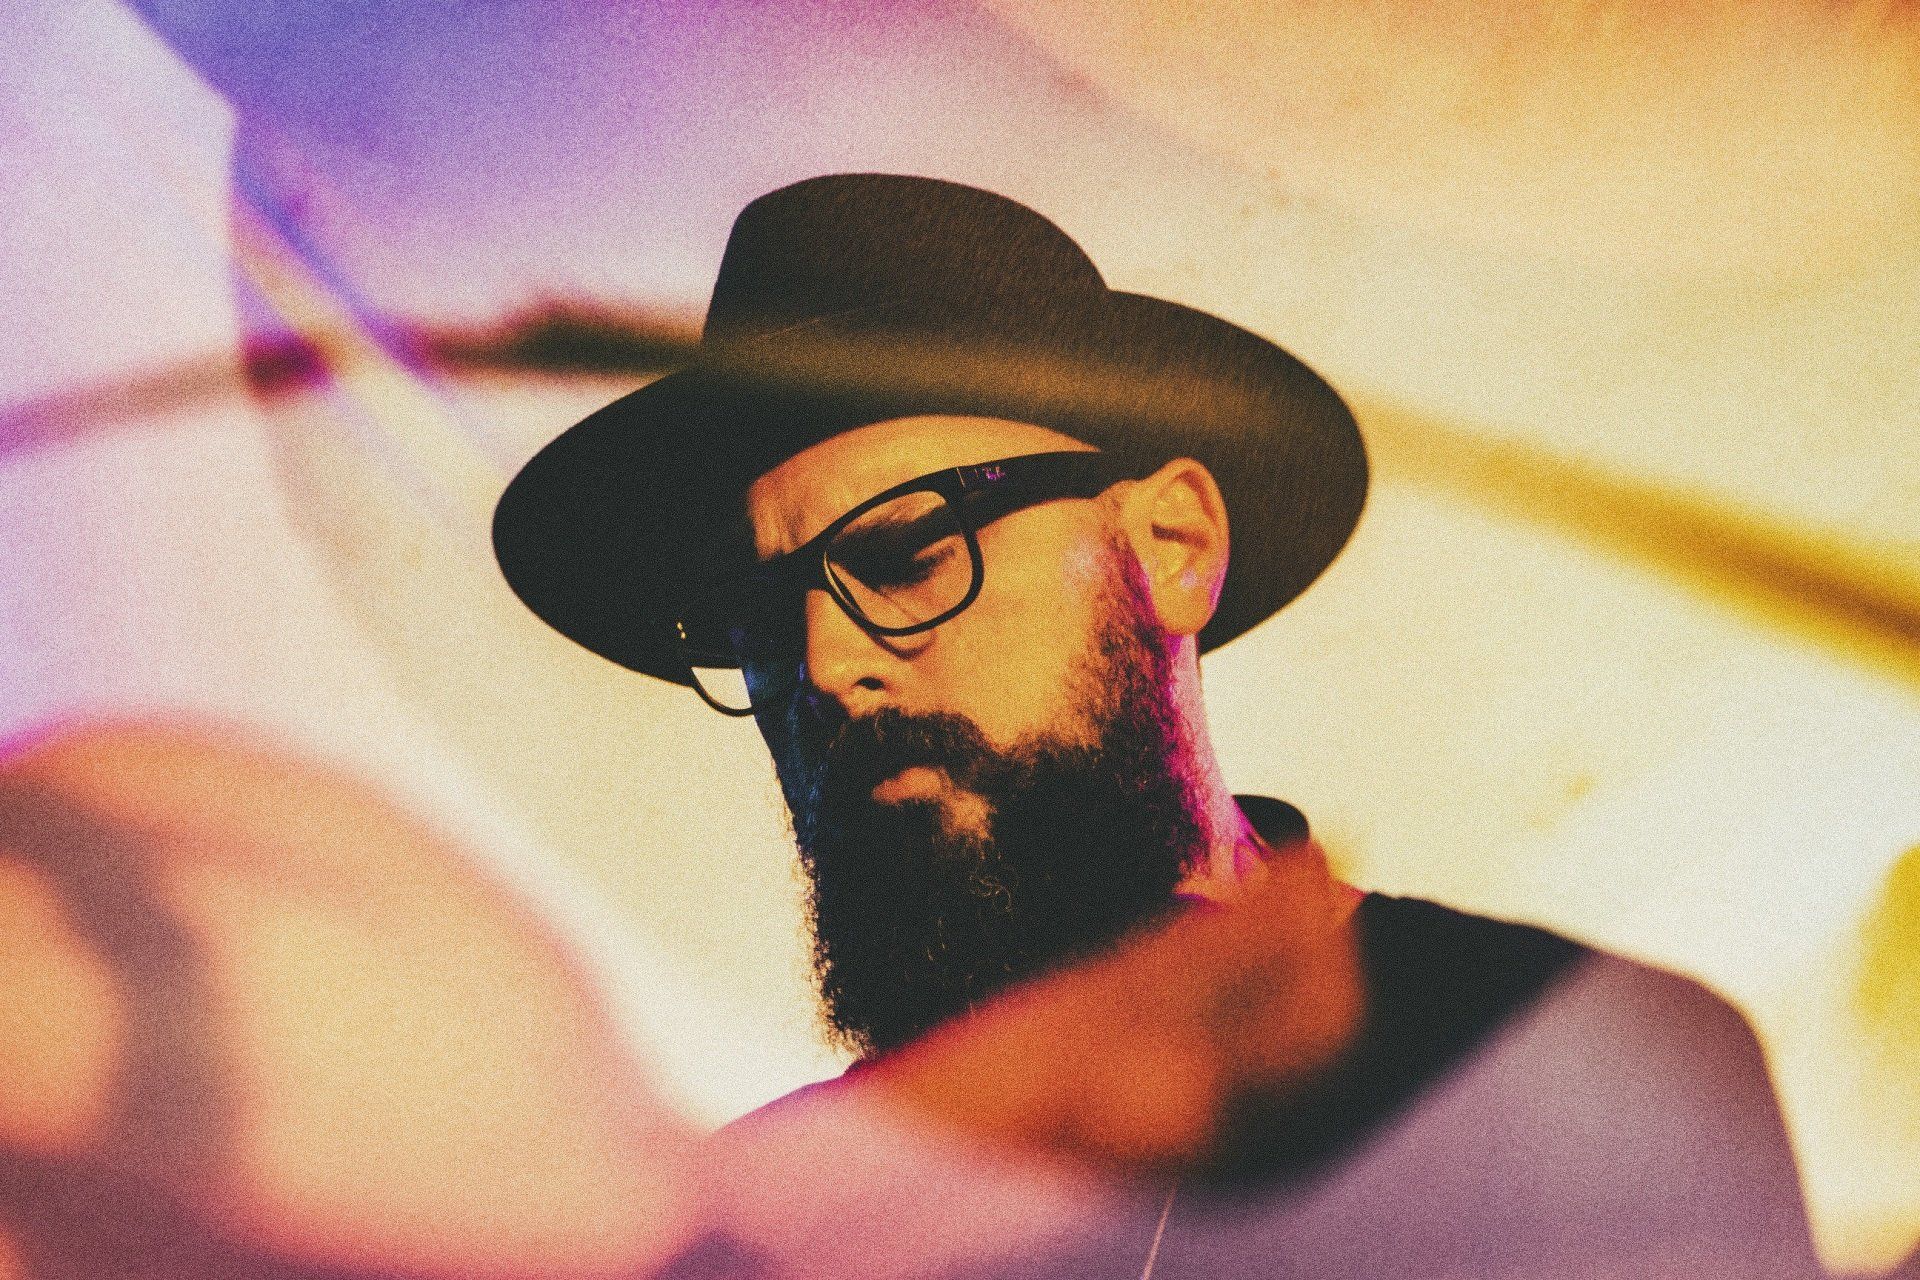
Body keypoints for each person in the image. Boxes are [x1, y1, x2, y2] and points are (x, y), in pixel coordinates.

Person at [494, 174, 1824, 1277]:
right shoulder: (743, 1235)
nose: (827, 666)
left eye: (904, 554)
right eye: (754, 621)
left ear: (1172, 545)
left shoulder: (1563, 1076)